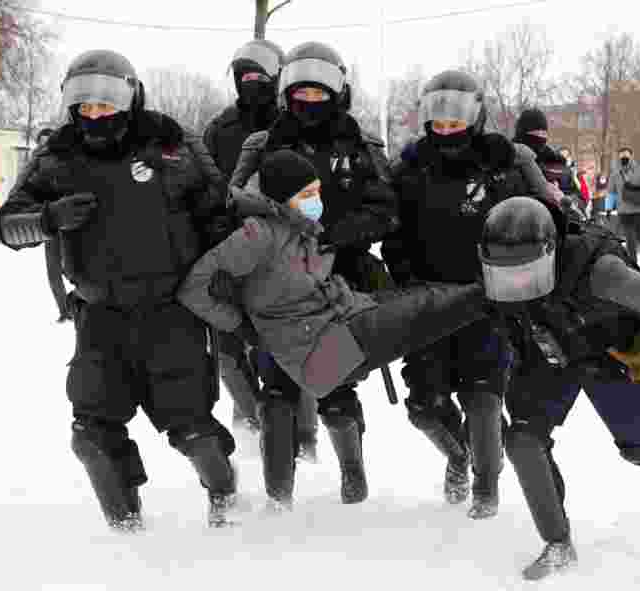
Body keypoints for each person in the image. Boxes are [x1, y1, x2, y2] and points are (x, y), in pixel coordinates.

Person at [0, 49, 237, 531]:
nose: (95, 115)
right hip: (101, 317)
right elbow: (4, 225)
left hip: (172, 311)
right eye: (85, 107)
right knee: (91, 434)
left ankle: (227, 497)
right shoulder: (58, 155)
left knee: (190, 427)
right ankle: (126, 530)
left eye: (106, 105)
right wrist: (47, 218)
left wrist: (228, 283)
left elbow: (220, 214)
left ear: (131, 99)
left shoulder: (172, 144)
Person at [178, 151, 488, 508]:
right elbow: (194, 288)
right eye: (306, 195)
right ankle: (492, 294)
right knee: (422, 312)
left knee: (419, 303)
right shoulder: (258, 235)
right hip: (319, 353)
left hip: (339, 324)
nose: (316, 202)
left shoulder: (303, 230)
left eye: (317, 193)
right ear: (281, 199)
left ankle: (487, 296)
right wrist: (240, 324)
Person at [478, 197, 640, 580]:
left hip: (611, 351)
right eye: (506, 274)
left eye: (527, 271)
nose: (517, 284)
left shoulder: (604, 273)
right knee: (523, 441)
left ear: (550, 252)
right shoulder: (493, 268)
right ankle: (557, 542)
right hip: (545, 352)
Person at [225, 41, 401, 507]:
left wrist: (339, 234)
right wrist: (283, 224)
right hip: (276, 278)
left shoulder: (362, 146)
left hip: (340, 279)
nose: (309, 103)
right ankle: (278, 495)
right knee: (276, 389)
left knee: (335, 383)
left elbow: (387, 209)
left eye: (320, 94)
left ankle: (352, 472)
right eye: (301, 93)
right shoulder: (262, 144)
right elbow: (234, 199)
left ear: (338, 93)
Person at [383, 74, 552, 519]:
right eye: (436, 123)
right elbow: (389, 231)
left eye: (454, 122)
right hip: (428, 300)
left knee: (482, 396)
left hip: (492, 299)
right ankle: (458, 456)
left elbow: (546, 215)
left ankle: (486, 487)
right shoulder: (408, 170)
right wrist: (399, 274)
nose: (445, 131)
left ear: (475, 118)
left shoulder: (506, 165)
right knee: (424, 407)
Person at [200, 39, 313, 448]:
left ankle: (303, 436)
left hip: (286, 252)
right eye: (244, 77)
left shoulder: (296, 123)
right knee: (229, 354)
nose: (252, 84)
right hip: (231, 248)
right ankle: (254, 423)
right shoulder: (220, 128)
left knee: (290, 350)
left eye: (260, 77)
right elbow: (207, 187)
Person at [33, 128, 72, 324]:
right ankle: (64, 311)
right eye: (41, 142)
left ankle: (80, 302)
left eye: (47, 142)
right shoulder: (33, 166)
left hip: (68, 221)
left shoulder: (67, 161)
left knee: (70, 268)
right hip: (49, 223)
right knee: (53, 270)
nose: (44, 146)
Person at [609, 146, 640, 263]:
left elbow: (611, 193)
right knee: (636, 235)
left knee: (632, 236)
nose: (624, 157)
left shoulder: (615, 173)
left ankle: (635, 258)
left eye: (625, 155)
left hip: (628, 210)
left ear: (631, 156)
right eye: (622, 155)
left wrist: (608, 208)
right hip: (636, 209)